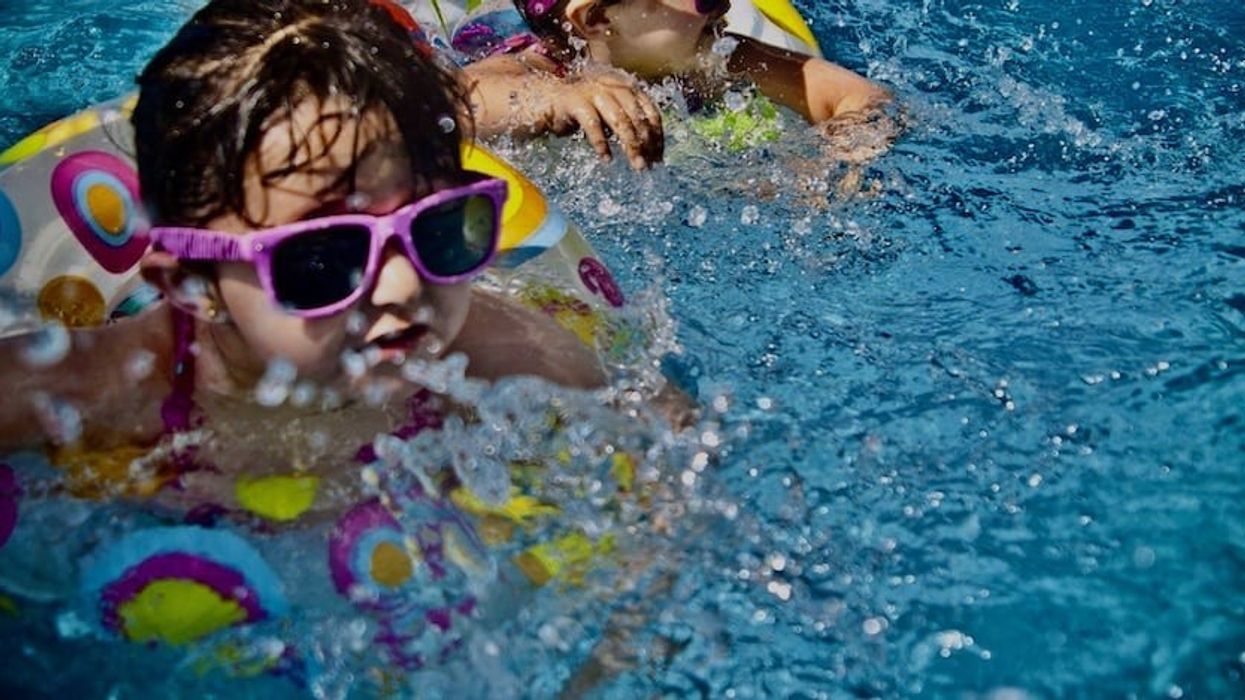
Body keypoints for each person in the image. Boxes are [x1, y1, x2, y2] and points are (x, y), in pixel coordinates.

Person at [0, 0, 608, 499]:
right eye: (322, 259)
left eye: (440, 228)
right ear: (193, 283)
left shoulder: (498, 357)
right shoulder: (104, 391)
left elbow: (659, 435)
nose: (402, 288)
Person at [509, 0, 890, 128]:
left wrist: (840, 157)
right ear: (597, 20)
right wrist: (559, 100)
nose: (725, 6)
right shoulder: (541, 70)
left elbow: (862, 96)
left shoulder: (724, 57)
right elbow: (465, 103)